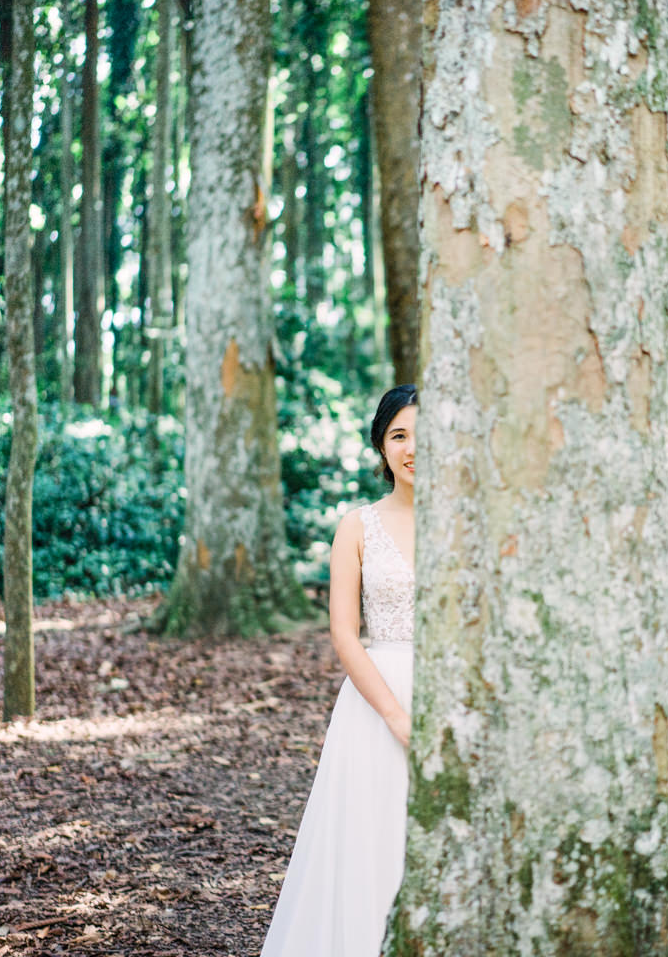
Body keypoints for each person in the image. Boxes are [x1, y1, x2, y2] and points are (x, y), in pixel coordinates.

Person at [261, 384, 417, 957]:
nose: (413, 448)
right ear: (381, 447)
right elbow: (344, 635)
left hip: (453, 693)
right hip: (376, 702)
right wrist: (397, 717)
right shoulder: (358, 526)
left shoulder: (469, 524)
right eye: (399, 435)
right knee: (369, 846)